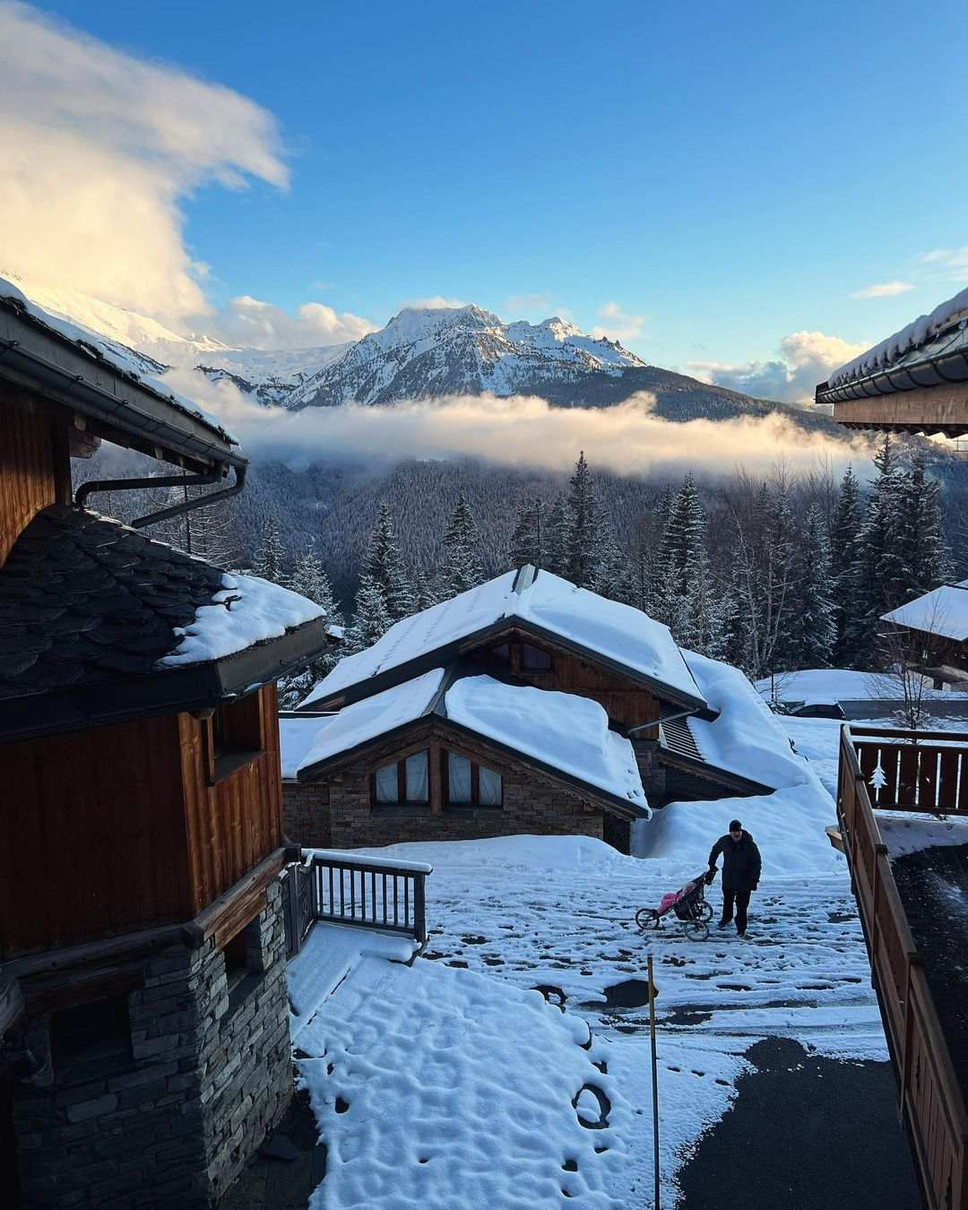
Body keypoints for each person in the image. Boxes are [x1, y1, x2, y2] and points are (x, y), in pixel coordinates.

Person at [705, 819, 761, 938]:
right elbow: (715, 850)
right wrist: (711, 865)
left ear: (741, 831)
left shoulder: (750, 845)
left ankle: (741, 929)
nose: (736, 834)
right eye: (734, 831)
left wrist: (754, 880)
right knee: (727, 901)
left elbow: (757, 863)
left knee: (742, 906)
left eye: (738, 831)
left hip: (744, 880)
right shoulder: (725, 841)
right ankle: (726, 918)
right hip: (729, 878)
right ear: (730, 832)